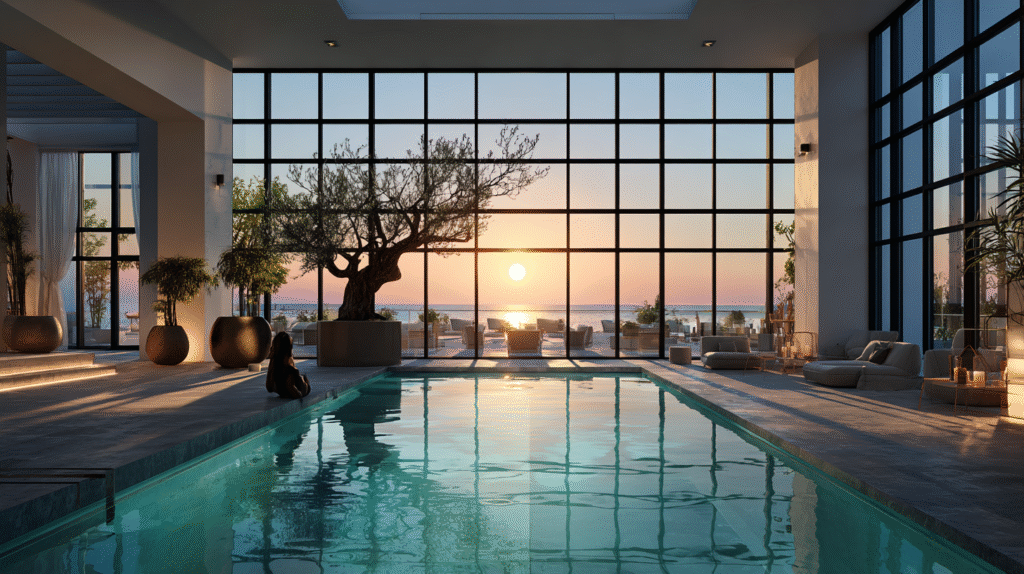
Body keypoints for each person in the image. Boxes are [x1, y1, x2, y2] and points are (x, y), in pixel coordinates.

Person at [266, 331, 311, 399]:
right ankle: (304, 381)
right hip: (300, 388)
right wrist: (300, 394)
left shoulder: (274, 366)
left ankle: (303, 380)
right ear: (289, 350)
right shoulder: (290, 371)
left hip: (285, 389)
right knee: (302, 376)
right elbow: (294, 391)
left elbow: (269, 387)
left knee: (300, 375)